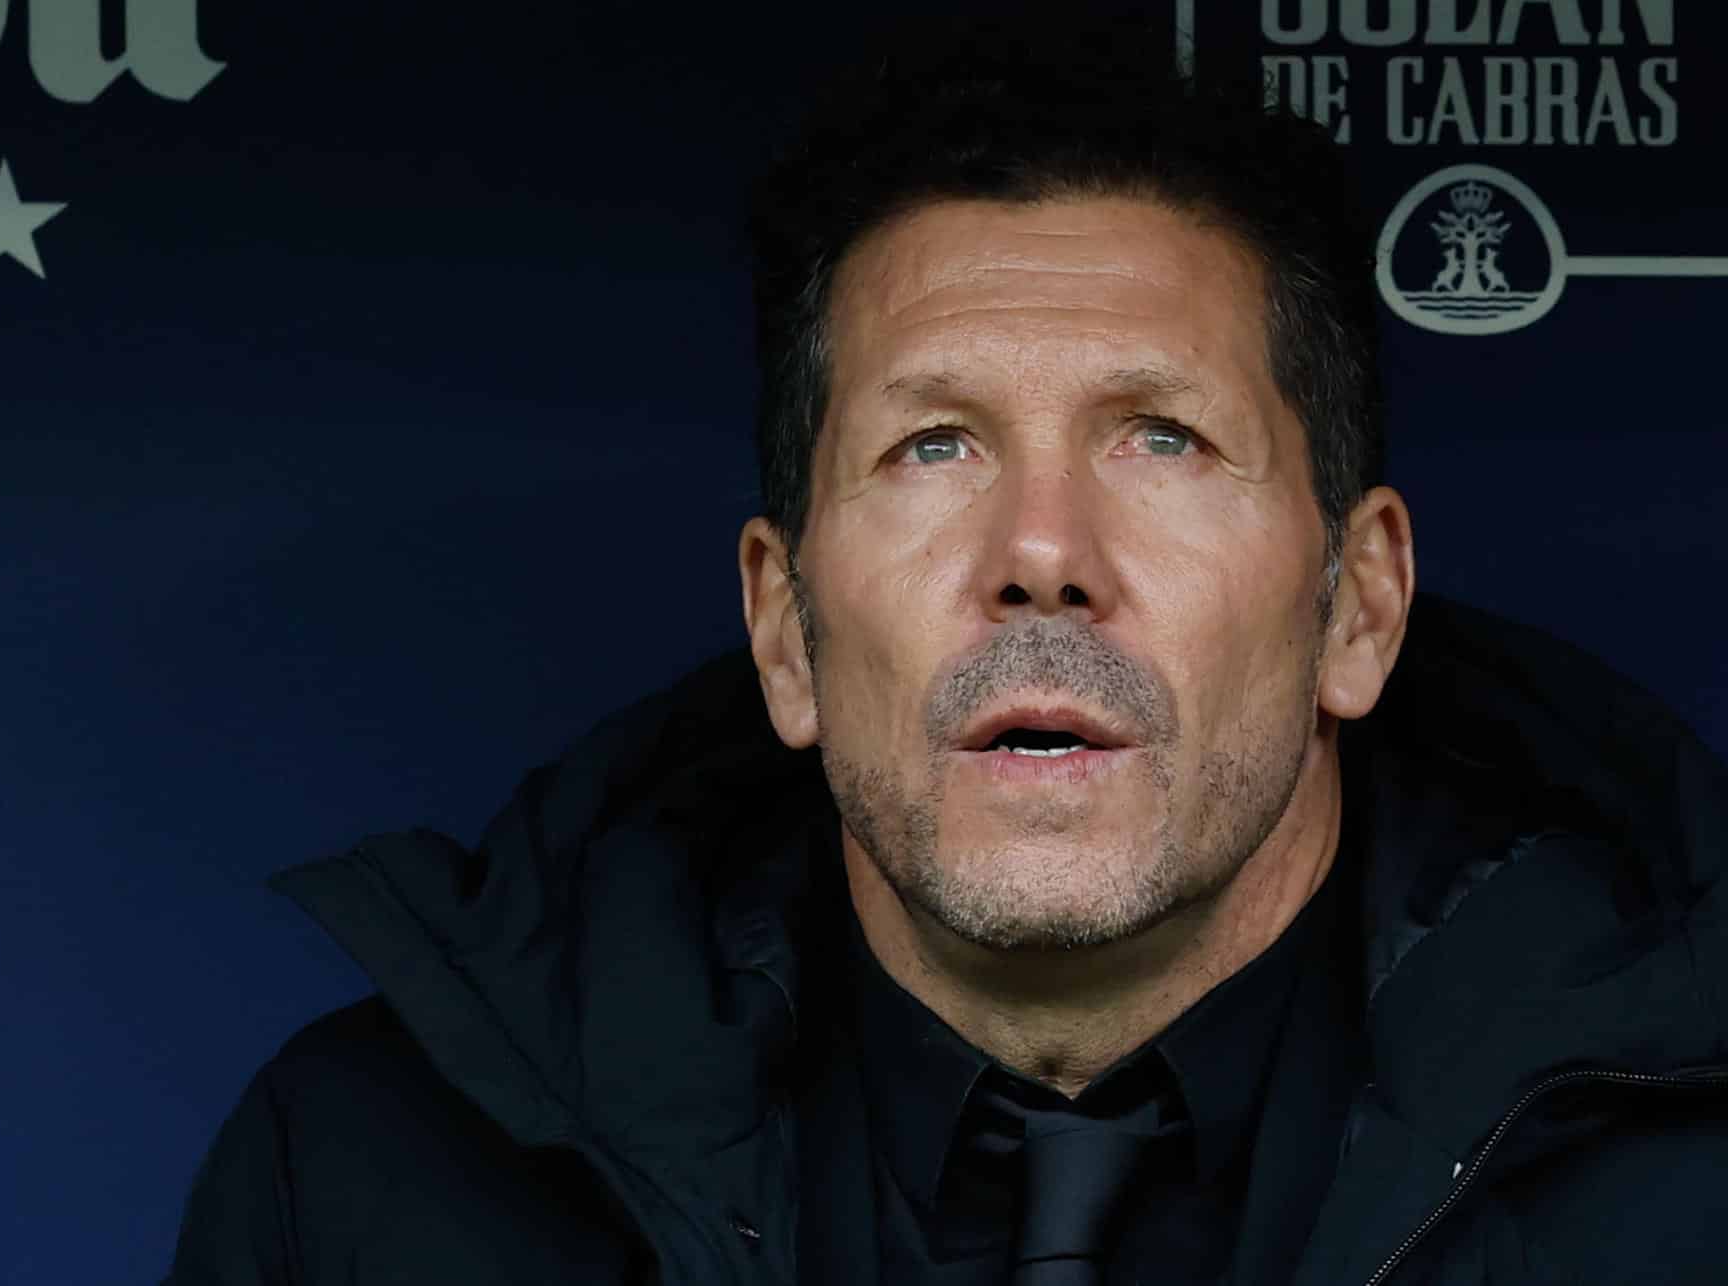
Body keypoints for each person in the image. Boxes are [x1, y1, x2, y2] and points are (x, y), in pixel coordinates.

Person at [162, 13, 1728, 1286]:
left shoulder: (1689, 1184)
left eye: (1161, 439)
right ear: (782, 626)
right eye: (936, 448)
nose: (1042, 555)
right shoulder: (367, 1188)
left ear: (1359, 605)